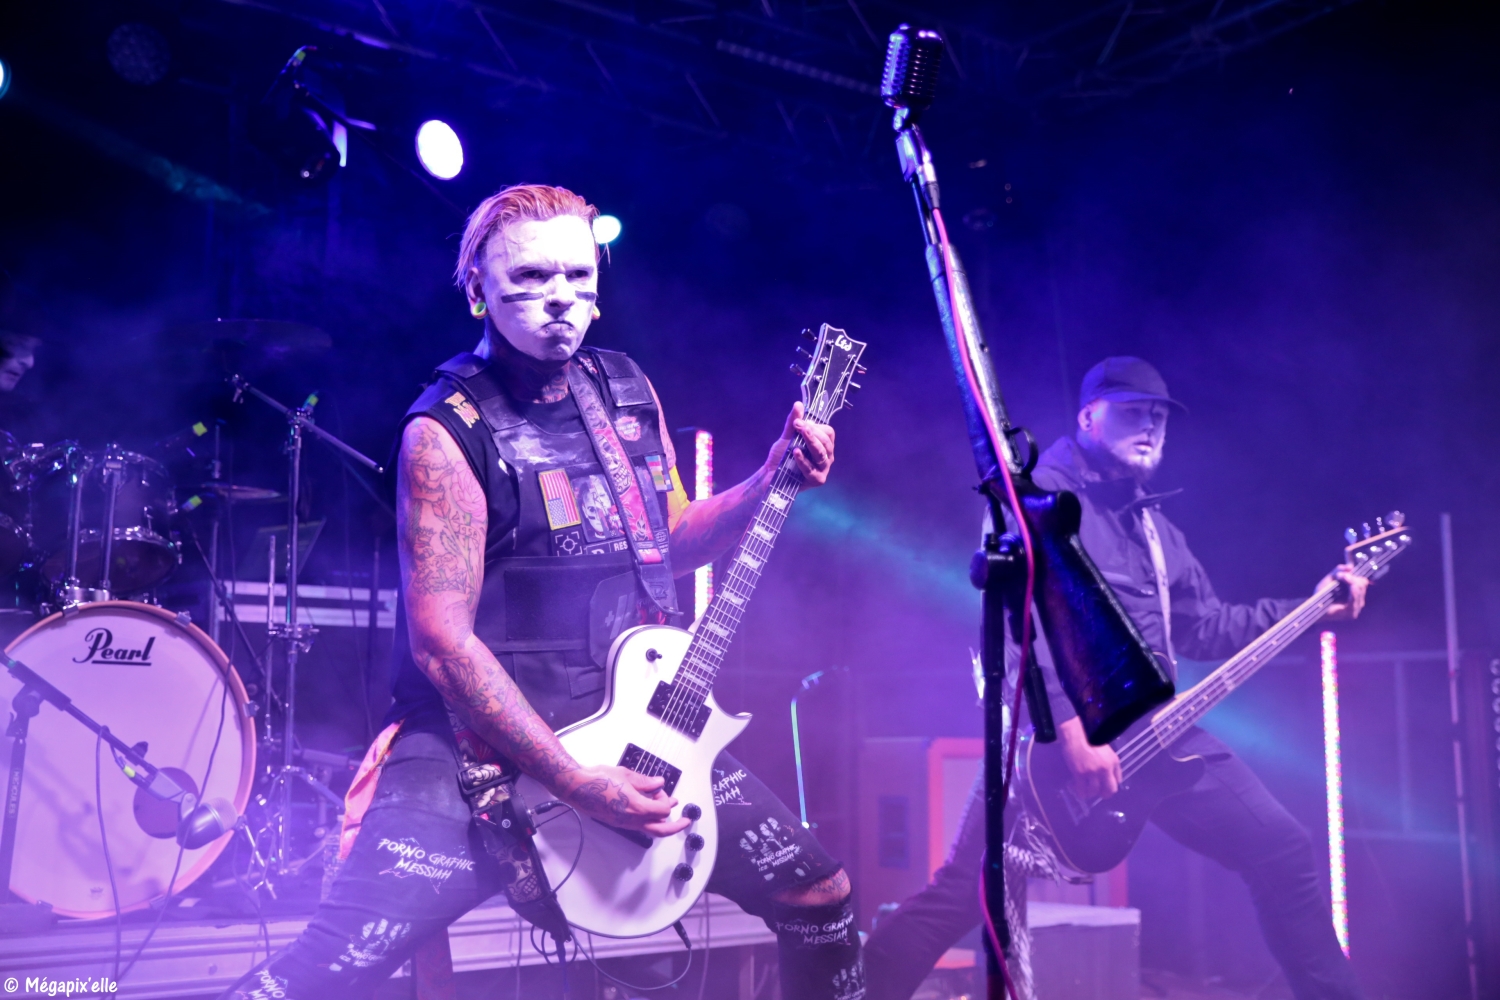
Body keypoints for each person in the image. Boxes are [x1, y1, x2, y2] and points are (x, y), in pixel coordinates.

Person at [222, 184, 864, 1000]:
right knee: (323, 973)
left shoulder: (625, 390)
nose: (559, 296)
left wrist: (769, 479)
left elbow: (668, 540)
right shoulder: (443, 431)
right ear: (478, 290)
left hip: (628, 722)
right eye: (529, 277)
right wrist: (569, 779)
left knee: (821, 895)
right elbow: (442, 645)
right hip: (477, 747)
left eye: (577, 275)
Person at [862, 356, 1369, 1000]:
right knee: (962, 896)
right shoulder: (1041, 495)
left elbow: (1206, 626)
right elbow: (1021, 615)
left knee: (1284, 852)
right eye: (1133, 413)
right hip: (1052, 741)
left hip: (1160, 737)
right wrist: (1068, 728)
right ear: (1088, 417)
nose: (1150, 427)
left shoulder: (1154, 528)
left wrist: (1313, 605)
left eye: (1159, 416)